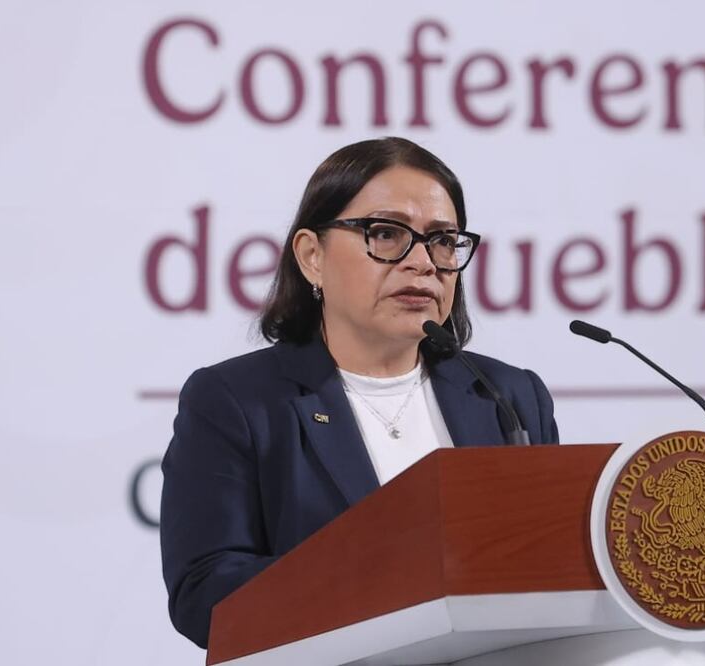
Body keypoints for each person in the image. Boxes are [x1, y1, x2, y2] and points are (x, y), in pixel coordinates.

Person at [159, 137, 559, 648]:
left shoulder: (508, 397)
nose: (423, 263)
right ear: (311, 256)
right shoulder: (236, 400)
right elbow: (204, 596)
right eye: (386, 234)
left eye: (442, 240)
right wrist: (390, 577)